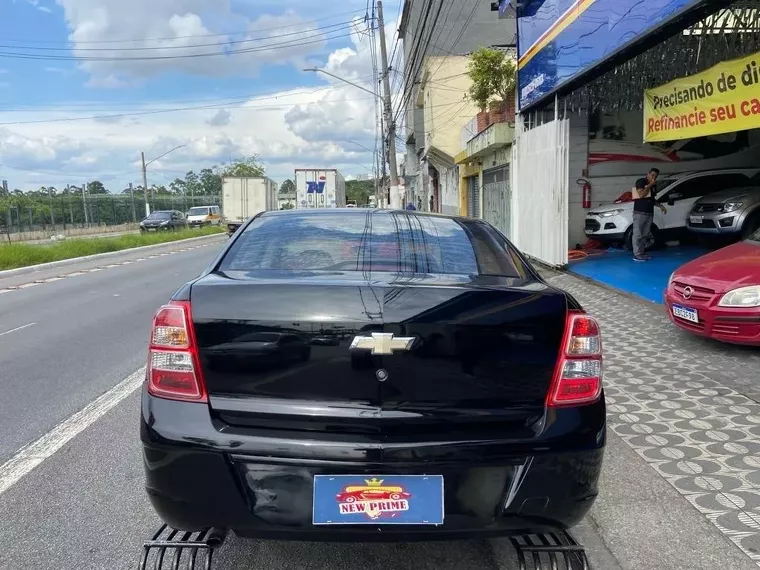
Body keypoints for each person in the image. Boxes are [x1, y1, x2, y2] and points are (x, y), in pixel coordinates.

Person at [632, 167, 667, 261]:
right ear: (647, 174)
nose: (653, 178)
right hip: (640, 212)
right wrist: (650, 185)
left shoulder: (653, 185)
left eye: (655, 176)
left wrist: (660, 206)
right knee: (638, 234)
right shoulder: (641, 181)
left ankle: (641, 252)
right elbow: (641, 195)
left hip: (649, 212)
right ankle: (637, 254)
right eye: (652, 175)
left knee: (645, 234)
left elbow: (652, 199)